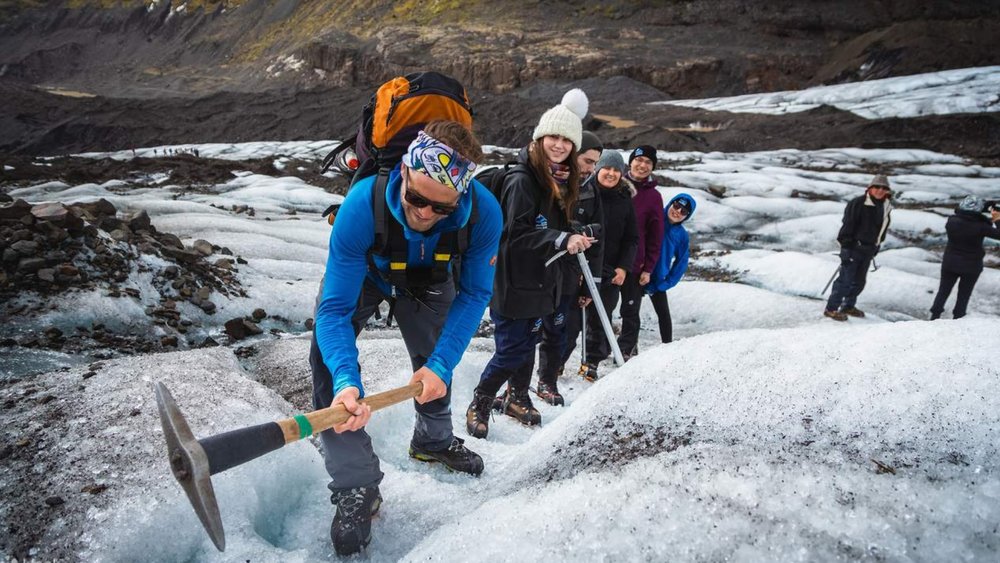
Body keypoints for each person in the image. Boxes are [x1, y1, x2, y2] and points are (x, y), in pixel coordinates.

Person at [310, 121, 502, 555]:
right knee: (326, 364)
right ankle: (356, 485)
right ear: (405, 171)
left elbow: (475, 293)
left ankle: (432, 441)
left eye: (442, 209)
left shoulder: (485, 212)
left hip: (431, 279)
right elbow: (335, 310)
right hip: (368, 273)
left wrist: (440, 364)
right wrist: (346, 380)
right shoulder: (362, 205)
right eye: (416, 198)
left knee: (438, 357)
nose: (425, 215)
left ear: (463, 196)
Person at [466, 89, 594, 437]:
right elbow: (515, 234)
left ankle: (518, 397)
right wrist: (560, 239)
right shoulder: (523, 180)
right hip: (513, 281)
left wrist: (574, 232)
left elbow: (551, 224)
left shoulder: (559, 181)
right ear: (539, 138)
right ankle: (481, 400)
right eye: (553, 137)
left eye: (567, 140)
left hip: (541, 279)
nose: (559, 145)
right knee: (512, 349)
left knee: (530, 340)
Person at [534, 130, 604, 405]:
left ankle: (547, 380)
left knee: (559, 330)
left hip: (571, 273)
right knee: (528, 329)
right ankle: (515, 386)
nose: (592, 169)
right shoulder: (543, 183)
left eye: (595, 163)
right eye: (588, 161)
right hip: (540, 268)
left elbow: (598, 241)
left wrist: (589, 285)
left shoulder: (590, 190)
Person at [571, 150, 638, 381]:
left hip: (610, 270)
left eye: (616, 170)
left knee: (601, 318)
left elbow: (631, 238)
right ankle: (556, 362)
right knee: (571, 319)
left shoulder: (624, 200)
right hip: (582, 266)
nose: (611, 173)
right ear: (598, 169)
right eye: (607, 168)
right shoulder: (583, 194)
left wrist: (623, 268)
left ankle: (592, 361)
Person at [616, 145, 664, 360]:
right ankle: (597, 350)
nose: (642, 165)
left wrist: (649, 267)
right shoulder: (615, 184)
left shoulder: (654, 197)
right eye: (639, 160)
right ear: (630, 162)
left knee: (630, 311)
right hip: (609, 259)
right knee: (599, 308)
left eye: (648, 162)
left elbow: (656, 235)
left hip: (636, 264)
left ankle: (626, 349)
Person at [824, 174, 893, 321]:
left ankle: (848, 306)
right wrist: (845, 248)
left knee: (859, 282)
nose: (880, 190)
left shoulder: (885, 206)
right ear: (870, 188)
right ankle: (831, 309)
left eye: (884, 188)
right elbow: (847, 225)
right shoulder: (858, 203)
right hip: (854, 248)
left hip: (868, 249)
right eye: (877, 187)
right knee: (845, 281)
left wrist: (877, 244)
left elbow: (882, 227)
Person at [929, 196, 1000, 319]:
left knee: (943, 291)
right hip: (971, 267)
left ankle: (934, 316)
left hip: (950, 263)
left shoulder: (951, 221)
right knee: (964, 295)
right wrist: (997, 219)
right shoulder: (981, 226)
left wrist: (984, 206)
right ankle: (958, 317)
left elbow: (966, 213)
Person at [645, 193, 696, 343]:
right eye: (677, 206)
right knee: (631, 312)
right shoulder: (653, 218)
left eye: (684, 212)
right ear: (671, 203)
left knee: (664, 315)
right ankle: (628, 348)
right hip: (637, 272)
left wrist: (667, 282)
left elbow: (682, 262)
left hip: (658, 279)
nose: (678, 212)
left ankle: (668, 347)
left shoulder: (681, 235)